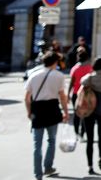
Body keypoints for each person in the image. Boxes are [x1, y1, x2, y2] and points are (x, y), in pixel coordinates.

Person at [25, 51, 69, 180]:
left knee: (37, 144)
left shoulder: (33, 75)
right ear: (55, 62)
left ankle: (38, 174)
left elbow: (27, 98)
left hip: (37, 110)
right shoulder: (59, 76)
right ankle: (48, 167)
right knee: (51, 140)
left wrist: (29, 111)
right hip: (52, 109)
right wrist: (66, 112)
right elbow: (62, 97)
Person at [68, 47, 92, 140]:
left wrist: (68, 94)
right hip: (86, 94)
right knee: (85, 114)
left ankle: (76, 133)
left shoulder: (75, 68)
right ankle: (82, 133)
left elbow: (71, 82)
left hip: (76, 94)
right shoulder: (90, 68)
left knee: (77, 114)